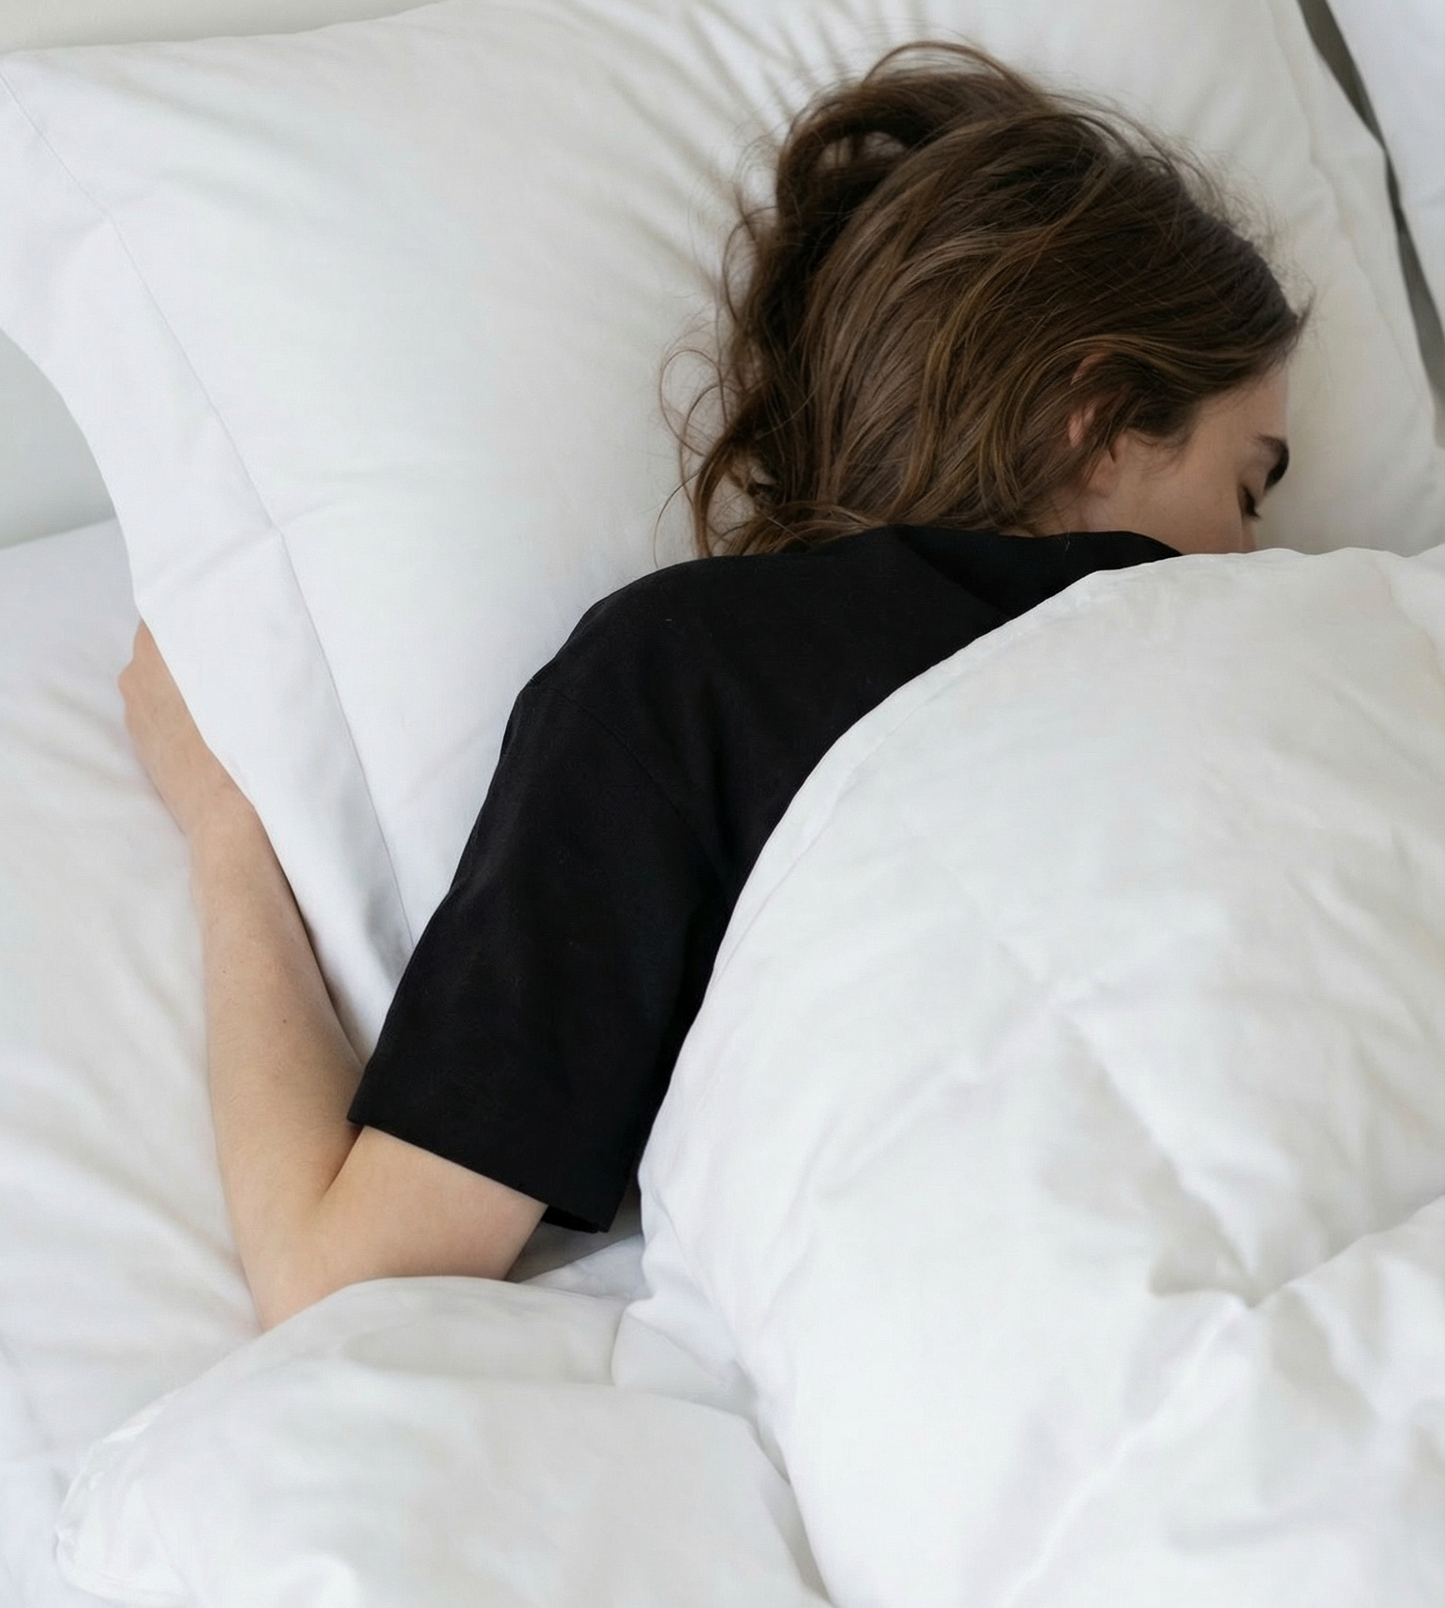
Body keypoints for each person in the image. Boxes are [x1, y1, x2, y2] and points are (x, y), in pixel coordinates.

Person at [120, 45, 1301, 1328]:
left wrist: (225, 826)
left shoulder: (684, 677)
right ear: (1100, 414)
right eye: (1246, 490)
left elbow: (333, 1268)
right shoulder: (699, 681)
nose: (1267, 556)